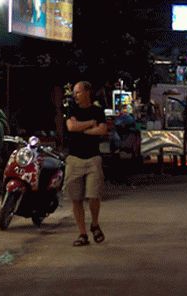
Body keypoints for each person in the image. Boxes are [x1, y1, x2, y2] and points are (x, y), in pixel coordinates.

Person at [64, 81, 109, 247]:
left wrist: (82, 128)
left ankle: (95, 223)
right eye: (74, 93)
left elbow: (102, 130)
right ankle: (82, 233)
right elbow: (71, 126)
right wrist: (90, 124)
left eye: (78, 92)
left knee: (93, 196)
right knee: (76, 199)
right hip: (74, 158)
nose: (75, 95)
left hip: (93, 158)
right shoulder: (72, 109)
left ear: (87, 93)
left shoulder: (97, 110)